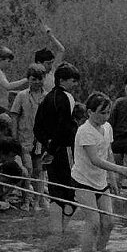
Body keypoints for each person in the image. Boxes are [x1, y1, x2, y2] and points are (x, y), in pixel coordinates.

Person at [72, 92, 127, 252]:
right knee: (93, 223)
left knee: (109, 223)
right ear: (90, 112)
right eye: (102, 112)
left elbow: (108, 153)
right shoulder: (84, 131)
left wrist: (113, 180)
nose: (105, 116)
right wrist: (121, 169)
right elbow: (95, 159)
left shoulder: (107, 128)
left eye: (108, 112)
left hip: (101, 182)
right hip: (82, 181)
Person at [34, 62, 82, 230]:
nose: (75, 84)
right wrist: (54, 149)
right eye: (73, 81)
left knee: (55, 191)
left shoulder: (46, 98)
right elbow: (64, 127)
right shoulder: (67, 98)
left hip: (48, 149)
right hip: (64, 149)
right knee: (71, 191)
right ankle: (63, 230)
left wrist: (47, 145)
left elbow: (37, 127)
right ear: (62, 80)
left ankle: (55, 233)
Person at [9, 64, 48, 209]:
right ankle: (26, 200)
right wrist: (14, 136)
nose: (37, 82)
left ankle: (38, 201)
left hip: (41, 140)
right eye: (34, 79)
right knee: (28, 169)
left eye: (40, 79)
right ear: (28, 79)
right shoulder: (22, 95)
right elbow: (14, 116)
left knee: (39, 170)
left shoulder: (47, 96)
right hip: (24, 137)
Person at [0, 47, 28, 125]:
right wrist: (25, 80)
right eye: (8, 61)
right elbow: (8, 86)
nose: (10, 64)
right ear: (0, 60)